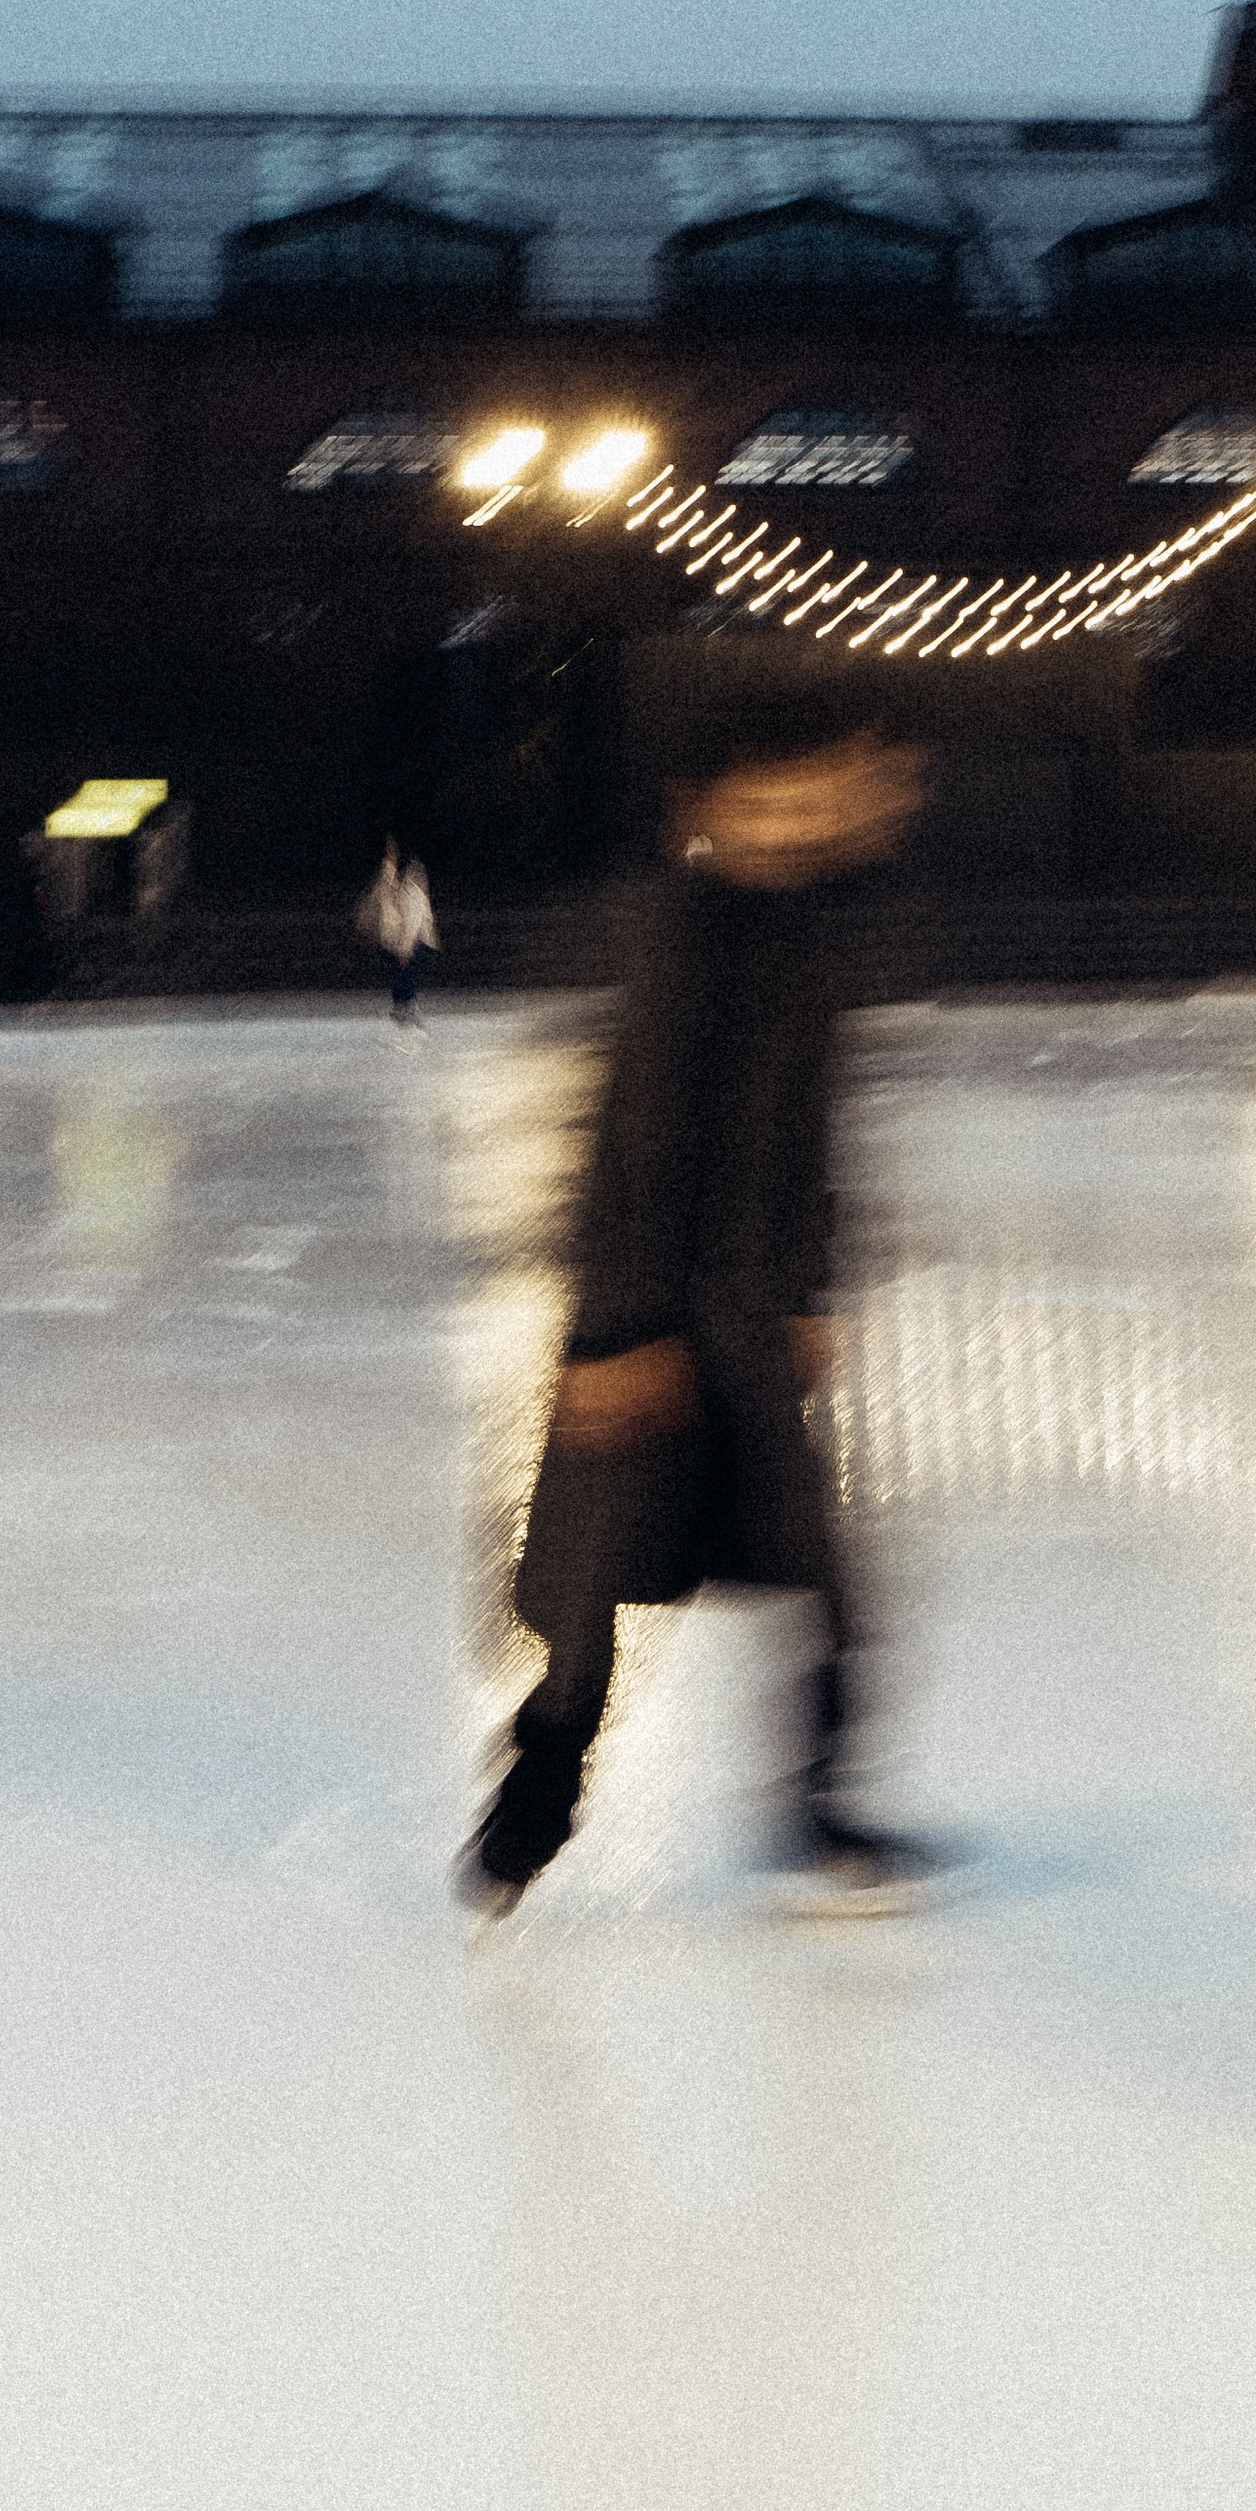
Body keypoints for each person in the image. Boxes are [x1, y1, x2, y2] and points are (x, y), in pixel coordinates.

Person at [459, 687, 947, 1916]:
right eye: (769, 801)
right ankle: (529, 1813)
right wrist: (621, 1336)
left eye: (817, 796)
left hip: (749, 1321)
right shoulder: (670, 932)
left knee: (825, 1589)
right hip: (651, 1320)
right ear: (706, 812)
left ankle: (822, 1816)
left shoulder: (817, 934)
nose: (797, 822)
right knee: (590, 1604)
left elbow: (810, 1143)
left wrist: (809, 1293)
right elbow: (629, 1146)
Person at [357, 838, 439, 1027]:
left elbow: (414, 921)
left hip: (416, 937)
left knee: (404, 966)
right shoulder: (387, 885)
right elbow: (374, 902)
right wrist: (363, 921)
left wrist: (406, 947)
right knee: (396, 967)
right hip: (395, 937)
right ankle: (401, 1004)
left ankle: (409, 1004)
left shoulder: (411, 891)